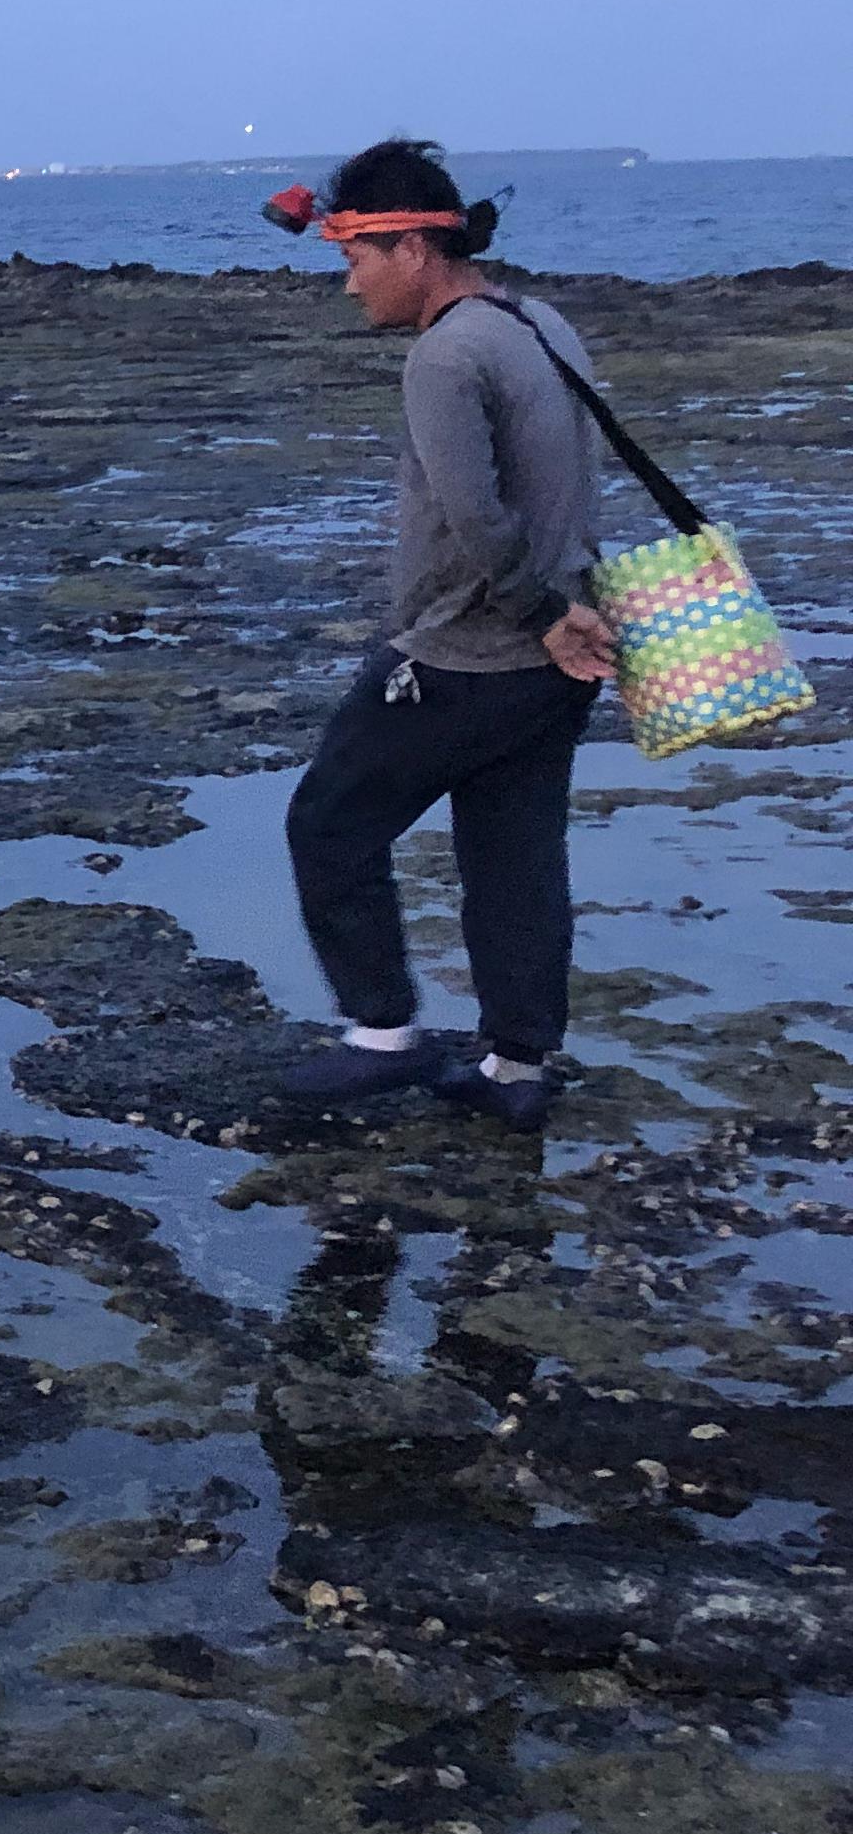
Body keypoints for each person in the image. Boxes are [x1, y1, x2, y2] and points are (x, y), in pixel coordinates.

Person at [264, 140, 617, 1135]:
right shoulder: (537, 321)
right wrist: (564, 617)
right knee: (515, 858)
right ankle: (515, 1065)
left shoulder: (447, 351)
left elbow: (476, 513)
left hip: (468, 654)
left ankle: (382, 1036)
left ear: (411, 246)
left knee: (330, 823)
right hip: (563, 659)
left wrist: (541, 617)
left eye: (353, 261)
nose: (349, 287)